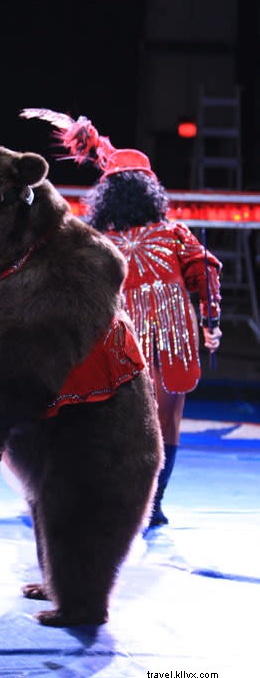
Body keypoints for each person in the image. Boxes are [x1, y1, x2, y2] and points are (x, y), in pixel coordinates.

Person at [20, 108, 223, 529]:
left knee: (107, 417)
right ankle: (154, 504)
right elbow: (205, 271)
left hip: (116, 337)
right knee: (166, 420)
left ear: (106, 195)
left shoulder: (95, 239)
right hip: (171, 337)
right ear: (151, 191)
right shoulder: (174, 233)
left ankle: (104, 497)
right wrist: (212, 322)